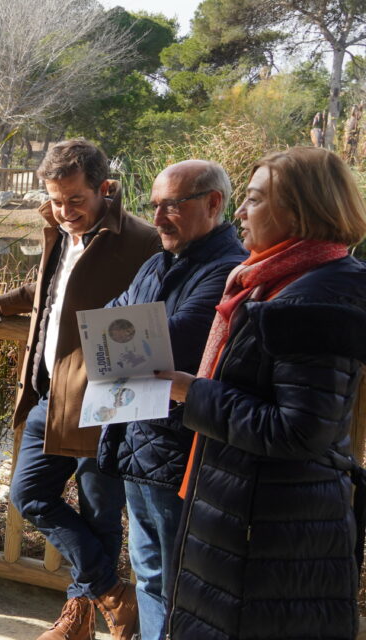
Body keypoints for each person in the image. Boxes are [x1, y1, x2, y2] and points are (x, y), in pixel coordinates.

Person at [156, 147, 366, 639]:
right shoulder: (276, 280)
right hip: (252, 515)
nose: (239, 213)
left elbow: (301, 429)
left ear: (300, 209)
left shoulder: (315, 298)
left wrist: (194, 393)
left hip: (275, 528)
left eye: (253, 200)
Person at [0, 139, 159, 640]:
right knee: (29, 494)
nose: (64, 210)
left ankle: (78, 619)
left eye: (75, 199)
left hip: (105, 398)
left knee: (100, 512)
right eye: (55, 200)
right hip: (49, 395)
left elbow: (154, 314)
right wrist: (4, 301)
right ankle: (111, 592)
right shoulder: (58, 228)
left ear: (104, 188)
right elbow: (54, 286)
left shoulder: (140, 239)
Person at [95, 160, 247, 640]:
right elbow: (106, 322)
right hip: (137, 438)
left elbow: (175, 343)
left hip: (181, 451)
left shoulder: (226, 269)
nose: (158, 217)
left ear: (213, 203)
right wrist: (132, 336)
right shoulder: (158, 261)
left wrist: (129, 336)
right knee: (149, 573)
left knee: (182, 578)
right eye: (154, 205)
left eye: (172, 206)